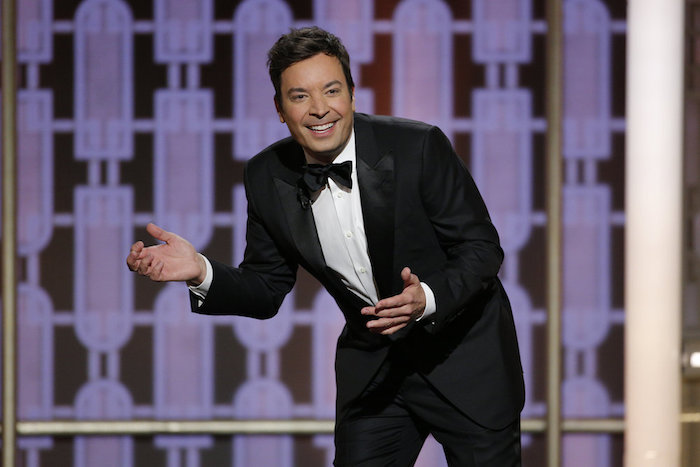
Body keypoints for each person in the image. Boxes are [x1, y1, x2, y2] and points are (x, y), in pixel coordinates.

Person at [127, 26, 524, 466]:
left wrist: (426, 298)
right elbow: (266, 288)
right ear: (280, 109)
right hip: (377, 374)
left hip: (466, 360)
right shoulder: (266, 176)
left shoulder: (418, 146)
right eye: (299, 97)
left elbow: (481, 247)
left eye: (331, 91)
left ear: (352, 94)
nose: (319, 110)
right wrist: (201, 270)